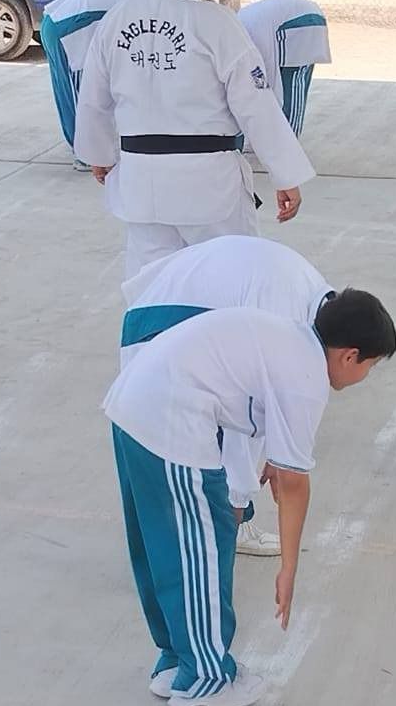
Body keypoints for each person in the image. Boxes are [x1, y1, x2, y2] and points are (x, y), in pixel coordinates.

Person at [104, 291, 396, 706]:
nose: (365, 375)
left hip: (134, 403)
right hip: (171, 419)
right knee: (202, 546)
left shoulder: (289, 338)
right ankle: (205, 677)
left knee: (162, 545)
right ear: (350, 356)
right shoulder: (307, 380)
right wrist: (289, 569)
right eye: (371, 365)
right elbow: (295, 486)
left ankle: (177, 659)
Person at [73, 0, 316, 278]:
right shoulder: (217, 23)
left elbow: (93, 97)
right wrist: (285, 174)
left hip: (142, 180)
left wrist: (98, 154)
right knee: (227, 280)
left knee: (152, 283)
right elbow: (255, 104)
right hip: (208, 184)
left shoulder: (117, 19)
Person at [119, 234, 337, 557]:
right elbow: (244, 425)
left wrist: (277, 454)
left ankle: (187, 540)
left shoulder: (307, 295)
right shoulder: (285, 323)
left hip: (157, 319)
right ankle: (219, 533)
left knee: (165, 480)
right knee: (194, 473)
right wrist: (237, 500)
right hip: (156, 336)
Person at [38, 0, 137, 168]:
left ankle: (82, 148)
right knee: (83, 94)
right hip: (68, 27)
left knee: (67, 92)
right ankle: (87, 155)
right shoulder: (136, 6)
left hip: (53, 24)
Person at [237, 0, 331, 137]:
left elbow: (262, 77)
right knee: (288, 85)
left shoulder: (239, 37)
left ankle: (289, 141)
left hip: (297, 24)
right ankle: (284, 140)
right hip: (298, 18)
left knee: (290, 86)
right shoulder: (236, 27)